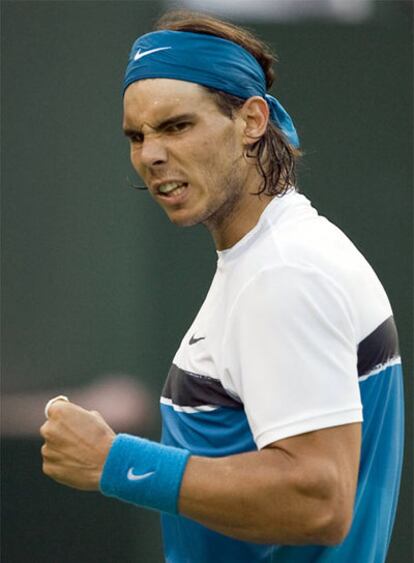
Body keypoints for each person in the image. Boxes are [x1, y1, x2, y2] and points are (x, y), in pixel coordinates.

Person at [40, 11, 404, 563]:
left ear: (252, 120)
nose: (150, 155)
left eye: (176, 126)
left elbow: (320, 501)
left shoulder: (284, 273)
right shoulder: (274, 256)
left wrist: (116, 464)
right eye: (137, 136)